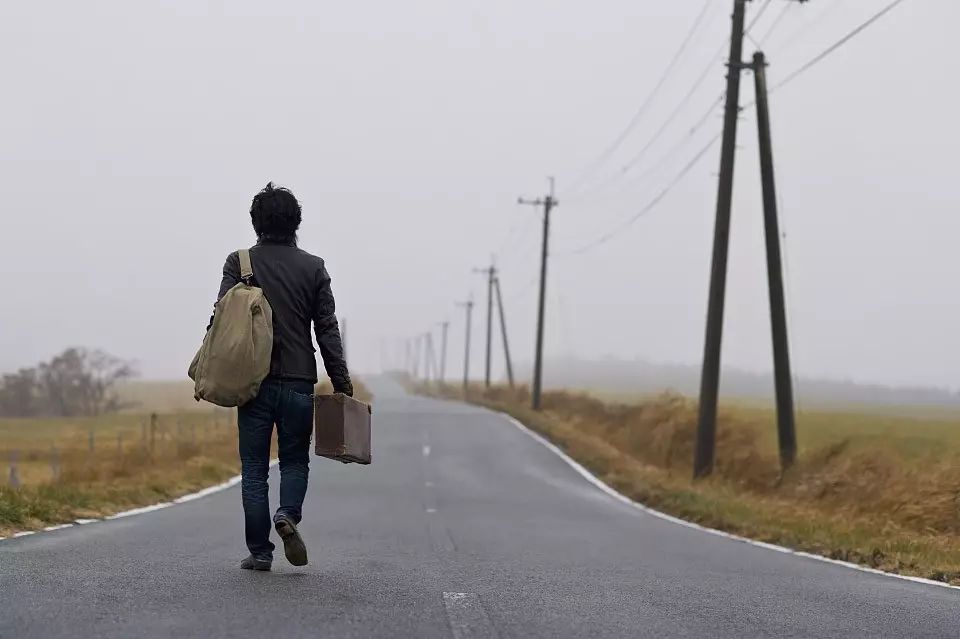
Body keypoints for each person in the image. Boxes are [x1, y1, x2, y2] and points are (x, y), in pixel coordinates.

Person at [211, 182, 353, 571]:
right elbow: (326, 329)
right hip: (298, 381)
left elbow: (221, 319)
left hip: (252, 384)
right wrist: (341, 383)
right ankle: (287, 514)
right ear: (297, 222)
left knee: (254, 468)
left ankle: (259, 552)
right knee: (294, 461)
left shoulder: (239, 264)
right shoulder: (314, 267)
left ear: (256, 221)